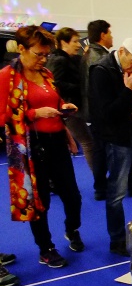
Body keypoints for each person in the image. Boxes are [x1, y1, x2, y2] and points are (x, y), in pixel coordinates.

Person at [0, 25, 84, 269]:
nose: (43, 59)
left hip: (56, 139)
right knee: (40, 200)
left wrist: (65, 110)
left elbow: (55, 103)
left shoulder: (46, 74)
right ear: (22, 49)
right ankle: (45, 248)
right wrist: (33, 113)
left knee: (72, 195)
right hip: (29, 146)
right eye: (38, 54)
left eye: (46, 54)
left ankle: (72, 229)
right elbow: (2, 115)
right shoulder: (8, 75)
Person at [89, 37, 132, 256]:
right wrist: (127, 90)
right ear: (122, 51)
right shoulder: (101, 71)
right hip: (117, 140)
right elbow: (105, 113)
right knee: (116, 193)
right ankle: (116, 239)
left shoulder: (128, 70)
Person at [47, 27, 95, 170]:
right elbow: (56, 84)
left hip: (72, 108)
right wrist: (81, 87)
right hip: (69, 109)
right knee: (88, 143)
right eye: (74, 41)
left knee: (88, 142)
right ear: (64, 42)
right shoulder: (59, 60)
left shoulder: (68, 59)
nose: (77, 44)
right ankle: (100, 181)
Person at [80, 19, 113, 200]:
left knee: (99, 150)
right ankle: (101, 187)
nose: (112, 36)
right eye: (110, 33)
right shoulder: (99, 58)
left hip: (92, 111)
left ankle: (101, 185)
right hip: (99, 112)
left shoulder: (88, 54)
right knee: (101, 150)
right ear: (103, 35)